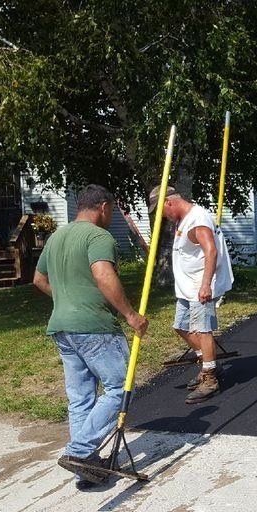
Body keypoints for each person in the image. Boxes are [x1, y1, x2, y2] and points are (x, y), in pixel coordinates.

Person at [33, 184, 149, 490]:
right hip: (95, 328)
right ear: (103, 207)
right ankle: (80, 452)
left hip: (62, 328)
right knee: (119, 390)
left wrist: (68, 300)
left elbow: (38, 279)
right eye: (113, 211)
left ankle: (85, 470)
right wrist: (130, 315)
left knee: (81, 399)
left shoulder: (57, 236)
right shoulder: (99, 236)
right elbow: (102, 274)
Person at [148, 186, 234, 404]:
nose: (162, 217)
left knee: (202, 330)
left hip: (199, 287)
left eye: (160, 212)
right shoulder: (184, 219)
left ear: (169, 203)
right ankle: (209, 361)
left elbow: (211, 250)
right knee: (181, 326)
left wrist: (206, 285)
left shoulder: (197, 219)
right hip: (187, 287)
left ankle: (210, 378)